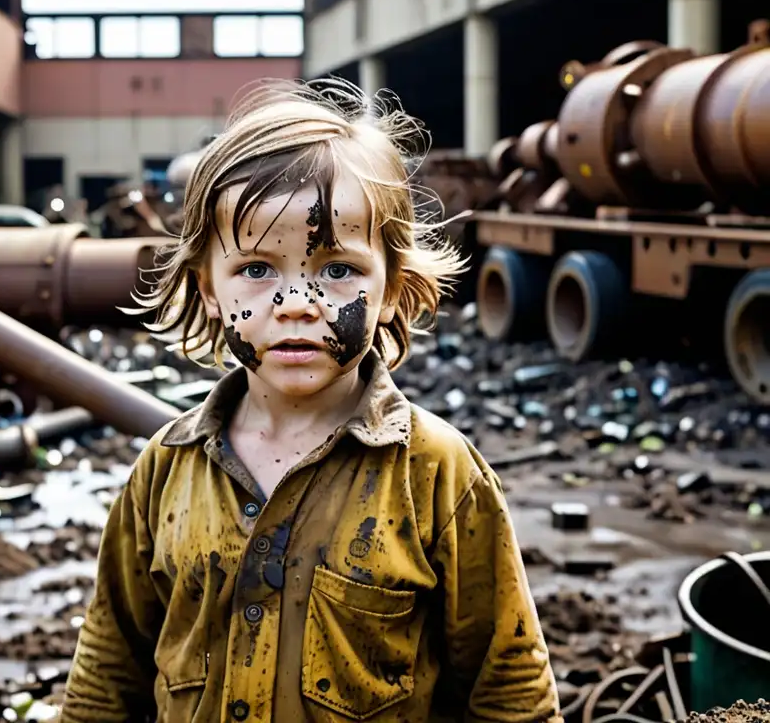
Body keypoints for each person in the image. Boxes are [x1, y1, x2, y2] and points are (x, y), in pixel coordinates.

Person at [59, 79, 561, 723]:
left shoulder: (436, 475)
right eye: (257, 269)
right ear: (209, 288)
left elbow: (510, 690)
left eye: (337, 268)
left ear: (390, 287)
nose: (296, 302)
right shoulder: (164, 471)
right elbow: (106, 674)